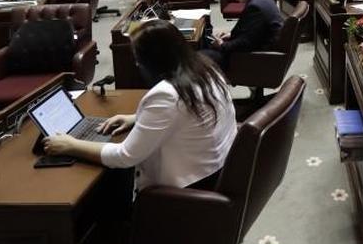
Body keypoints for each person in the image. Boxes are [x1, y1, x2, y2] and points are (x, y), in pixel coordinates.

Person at [41, 20, 236, 193]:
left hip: (185, 190)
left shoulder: (165, 94)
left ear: (152, 60)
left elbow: (124, 157)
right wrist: (135, 119)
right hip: (217, 170)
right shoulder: (206, 68)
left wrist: (71, 145)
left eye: (137, 57)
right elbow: (188, 110)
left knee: (107, 183)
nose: (135, 63)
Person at [201, 0, 283, 69]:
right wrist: (230, 35)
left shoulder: (255, 6)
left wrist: (222, 45)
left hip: (255, 57)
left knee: (197, 58)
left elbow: (246, 43)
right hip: (258, 46)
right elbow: (254, 32)